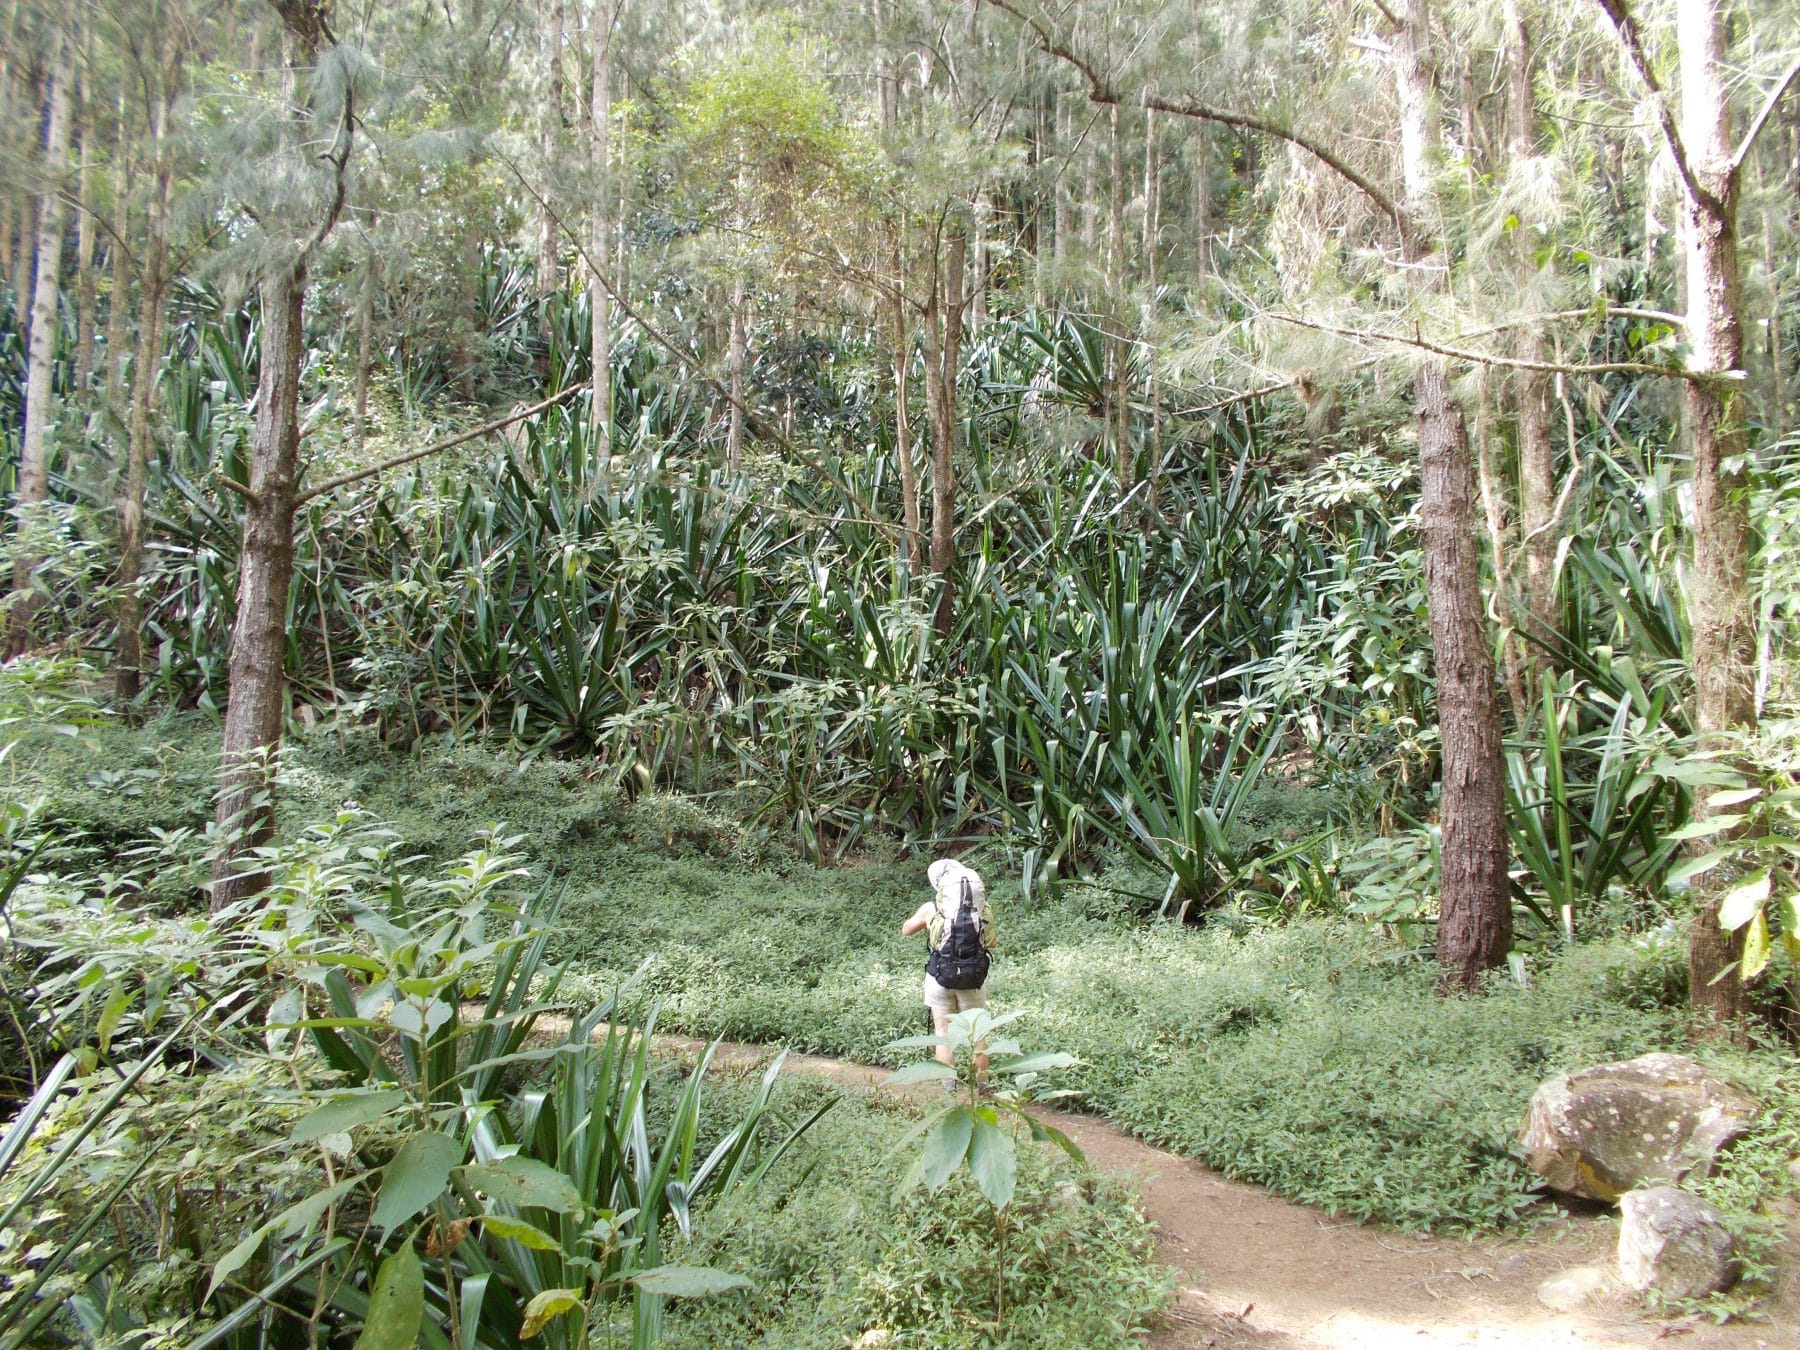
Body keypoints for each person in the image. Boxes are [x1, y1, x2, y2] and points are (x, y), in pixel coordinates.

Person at [900, 858, 996, 1075]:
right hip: (973, 976)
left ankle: (948, 1088)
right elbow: (992, 943)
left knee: (942, 1032)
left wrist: (934, 925)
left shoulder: (931, 908)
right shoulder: (982, 908)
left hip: (939, 975)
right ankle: (981, 1087)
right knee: (977, 1033)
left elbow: (905, 930)